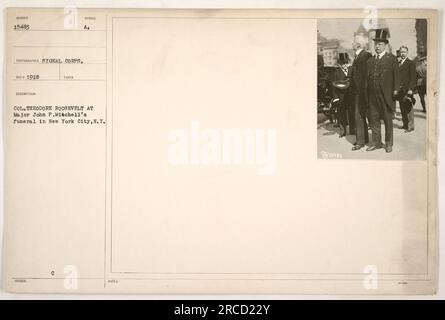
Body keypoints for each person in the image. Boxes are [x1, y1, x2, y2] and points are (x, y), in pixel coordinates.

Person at [366, 29, 400, 153]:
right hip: (372, 96)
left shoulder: (392, 59)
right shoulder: (369, 61)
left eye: (379, 44)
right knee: (374, 120)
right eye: (375, 44)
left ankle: (388, 143)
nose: (377, 46)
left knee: (387, 120)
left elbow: (397, 77)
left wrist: (395, 91)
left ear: (385, 45)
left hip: (386, 95)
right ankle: (376, 142)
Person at [350, 35, 372, 150]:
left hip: (362, 92)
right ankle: (364, 138)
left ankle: (360, 141)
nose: (352, 44)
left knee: (359, 115)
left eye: (353, 42)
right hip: (359, 91)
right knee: (361, 115)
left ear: (358, 44)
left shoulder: (365, 55)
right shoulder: (358, 56)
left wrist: (363, 92)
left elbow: (366, 76)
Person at [331, 52, 351, 137]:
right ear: (340, 64)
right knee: (342, 114)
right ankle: (343, 131)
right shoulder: (336, 73)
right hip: (341, 96)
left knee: (351, 113)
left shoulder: (351, 70)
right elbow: (334, 87)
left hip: (350, 95)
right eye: (343, 63)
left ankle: (353, 129)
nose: (345, 65)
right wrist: (335, 97)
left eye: (346, 63)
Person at [397, 46, 417, 132]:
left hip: (407, 89)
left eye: (404, 52)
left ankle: (410, 126)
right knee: (402, 107)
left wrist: (410, 89)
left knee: (408, 107)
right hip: (400, 90)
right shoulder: (398, 63)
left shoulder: (410, 63)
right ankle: (405, 124)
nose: (402, 54)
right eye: (401, 52)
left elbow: (413, 77)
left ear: (407, 53)